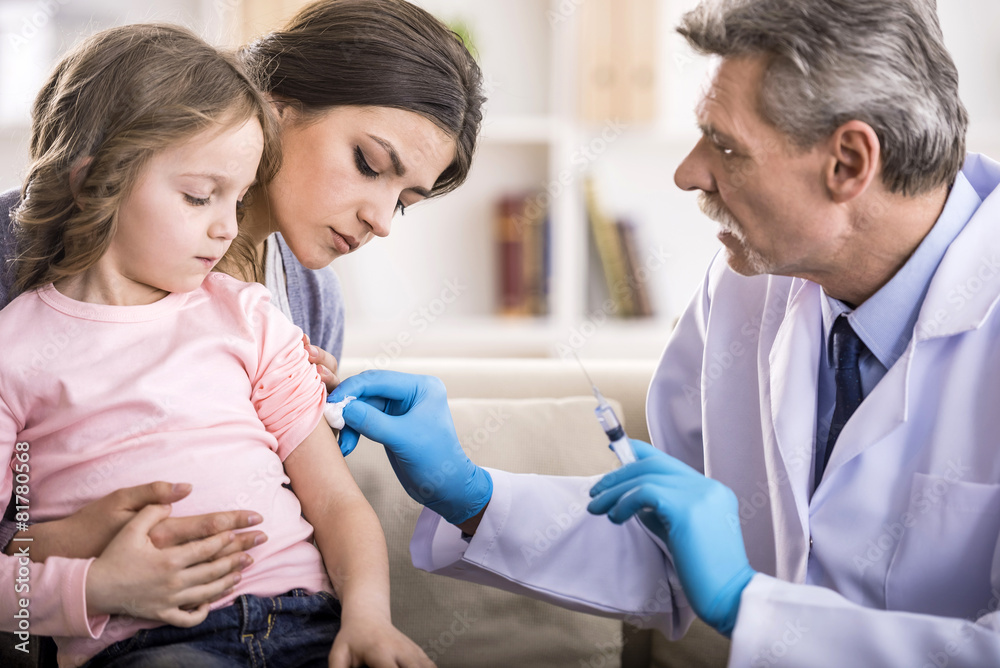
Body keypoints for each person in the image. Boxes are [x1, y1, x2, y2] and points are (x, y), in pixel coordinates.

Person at [327, 0, 1000, 664]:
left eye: (726, 145)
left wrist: (745, 604)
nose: (689, 173)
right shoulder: (746, 285)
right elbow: (670, 541)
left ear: (849, 162)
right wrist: (471, 493)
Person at [0, 0, 483, 622]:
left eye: (406, 200)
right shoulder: (19, 246)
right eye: (368, 163)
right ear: (274, 105)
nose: (382, 220)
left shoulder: (305, 298)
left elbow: (308, 512)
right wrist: (77, 546)